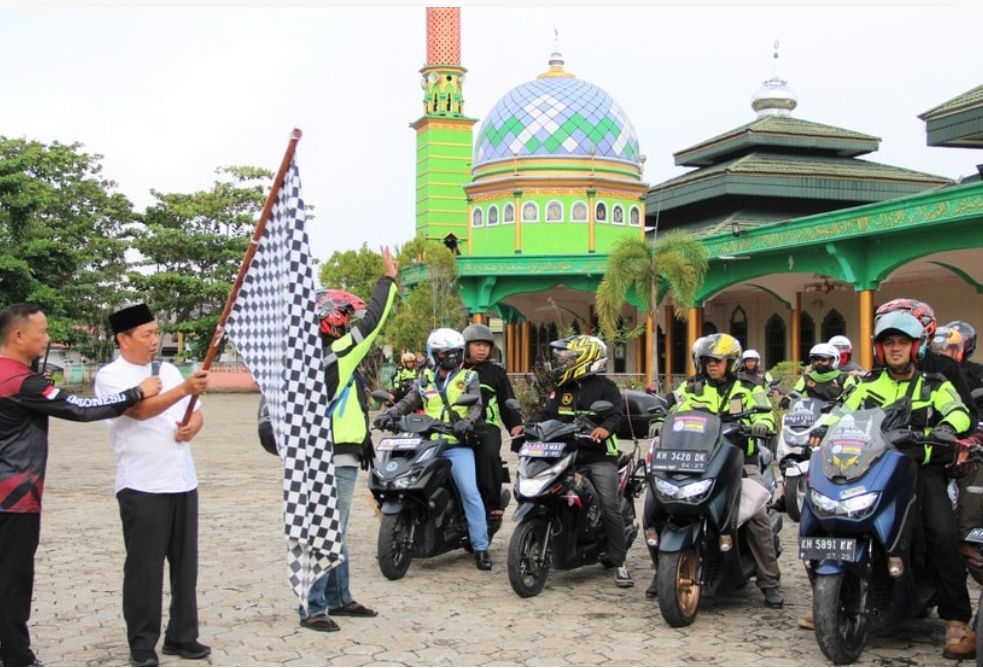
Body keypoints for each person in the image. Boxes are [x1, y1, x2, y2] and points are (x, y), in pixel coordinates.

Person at [0, 303, 160, 668]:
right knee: (13, 578)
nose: (47, 338)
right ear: (18, 335)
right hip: (13, 499)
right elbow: (82, 408)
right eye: (41, 331)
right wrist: (135, 393)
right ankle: (16, 656)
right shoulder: (22, 382)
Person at [815, 311, 975, 660]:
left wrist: (948, 427)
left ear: (916, 348)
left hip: (922, 469)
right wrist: (822, 427)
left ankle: (956, 618)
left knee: (941, 532)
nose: (896, 349)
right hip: (871, 468)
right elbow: (842, 411)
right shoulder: (867, 384)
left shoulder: (935, 384)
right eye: (889, 343)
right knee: (832, 517)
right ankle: (834, 599)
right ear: (880, 349)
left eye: (903, 342)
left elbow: (960, 413)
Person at [93, 303, 210, 668]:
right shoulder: (111, 376)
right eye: (146, 334)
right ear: (122, 339)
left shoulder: (168, 369)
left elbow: (196, 408)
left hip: (181, 480)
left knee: (184, 565)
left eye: (155, 332)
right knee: (144, 568)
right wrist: (184, 388)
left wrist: (194, 425)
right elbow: (140, 411)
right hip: (142, 485)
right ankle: (142, 643)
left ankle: (181, 635)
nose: (154, 340)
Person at [297, 247, 398, 632]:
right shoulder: (337, 353)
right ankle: (313, 607)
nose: (349, 324)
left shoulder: (317, 356)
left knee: (333, 528)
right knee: (326, 530)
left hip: (338, 454)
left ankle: (338, 598)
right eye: (345, 318)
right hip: (329, 456)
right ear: (331, 321)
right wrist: (387, 280)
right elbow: (373, 322)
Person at [651, 333, 783, 608]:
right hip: (695, 460)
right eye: (708, 360)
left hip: (740, 461)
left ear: (732, 363)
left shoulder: (748, 389)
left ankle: (769, 581)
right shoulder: (692, 389)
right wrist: (656, 419)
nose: (712, 365)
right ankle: (663, 570)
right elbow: (669, 407)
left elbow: (766, 415)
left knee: (757, 515)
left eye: (719, 361)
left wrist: (761, 424)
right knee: (661, 505)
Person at [375, 327, 491, 570]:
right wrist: (389, 414)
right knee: (403, 481)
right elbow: (408, 402)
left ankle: (481, 547)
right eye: (444, 352)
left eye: (454, 352)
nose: (449, 356)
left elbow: (477, 405)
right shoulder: (425, 379)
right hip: (425, 443)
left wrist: (466, 422)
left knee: (469, 491)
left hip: (454, 445)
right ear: (434, 354)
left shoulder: (468, 378)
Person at [524, 334, 634, 588]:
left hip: (598, 456)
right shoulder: (562, 388)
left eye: (569, 357)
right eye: (564, 358)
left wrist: (605, 428)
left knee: (609, 504)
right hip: (563, 453)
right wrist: (526, 426)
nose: (564, 362)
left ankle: (620, 562)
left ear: (586, 359)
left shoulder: (606, 388)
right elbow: (545, 413)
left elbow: (616, 416)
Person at [461, 323, 523, 522]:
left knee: (488, 455)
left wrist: (515, 425)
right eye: (477, 344)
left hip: (487, 425)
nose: (482, 349)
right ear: (465, 346)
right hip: (455, 425)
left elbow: (507, 401)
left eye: (486, 345)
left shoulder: (496, 372)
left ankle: (493, 503)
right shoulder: (455, 369)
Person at [778, 342, 855, 407]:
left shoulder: (844, 377)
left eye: (823, 360)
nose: (819, 362)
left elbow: (851, 390)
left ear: (834, 360)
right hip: (813, 416)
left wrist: (839, 400)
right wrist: (787, 399)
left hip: (837, 414)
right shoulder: (807, 378)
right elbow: (796, 392)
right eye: (816, 359)